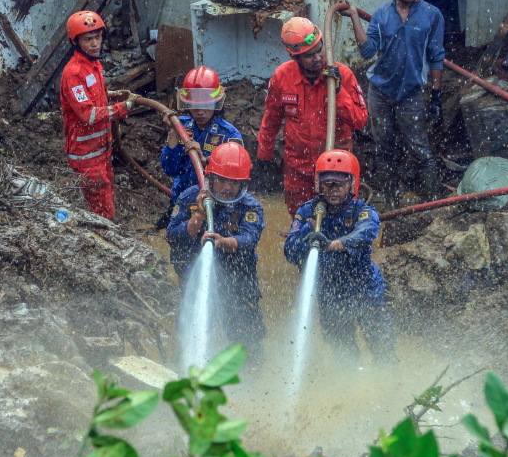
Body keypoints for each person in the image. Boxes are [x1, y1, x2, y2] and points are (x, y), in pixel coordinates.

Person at [340, 0, 445, 204]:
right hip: (380, 91)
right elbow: (367, 51)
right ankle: (390, 201)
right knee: (384, 147)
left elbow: (436, 56)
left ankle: (433, 202)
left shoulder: (432, 15)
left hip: (411, 93)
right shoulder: (381, 15)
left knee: (420, 150)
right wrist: (355, 16)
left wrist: (436, 96)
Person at [284, 149, 395, 361]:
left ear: (352, 184)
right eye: (328, 184)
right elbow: (290, 252)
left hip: (365, 290)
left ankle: (388, 386)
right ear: (319, 184)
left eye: (340, 185)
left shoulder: (362, 211)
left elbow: (366, 233)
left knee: (383, 348)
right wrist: (307, 235)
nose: (333, 190)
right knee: (342, 352)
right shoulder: (307, 212)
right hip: (330, 294)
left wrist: (333, 244)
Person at [256, 17, 368, 216]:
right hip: (298, 168)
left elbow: (359, 121)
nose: (317, 58)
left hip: (337, 168)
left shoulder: (343, 74)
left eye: (319, 50)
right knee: (301, 221)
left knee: (342, 221)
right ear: (294, 57)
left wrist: (339, 90)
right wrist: (264, 154)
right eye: (309, 55)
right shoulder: (282, 77)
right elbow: (271, 118)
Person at [166, 142, 266, 358]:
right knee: (191, 333)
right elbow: (172, 236)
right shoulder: (190, 197)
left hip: (239, 280)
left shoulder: (251, 207)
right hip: (196, 277)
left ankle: (253, 380)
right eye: (222, 180)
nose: (227, 187)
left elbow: (249, 239)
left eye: (234, 182)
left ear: (243, 184)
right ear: (210, 177)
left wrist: (223, 241)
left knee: (247, 342)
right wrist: (199, 217)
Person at [60, 10, 136, 219]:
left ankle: (107, 234)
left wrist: (112, 95)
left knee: (106, 199)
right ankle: (105, 241)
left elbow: (92, 96)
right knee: (102, 209)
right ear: (75, 42)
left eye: (97, 37)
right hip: (85, 154)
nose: (95, 44)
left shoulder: (93, 65)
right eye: (88, 39)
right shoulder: (73, 73)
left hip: (101, 149)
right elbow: (88, 115)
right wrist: (124, 108)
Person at [157, 66, 243, 228]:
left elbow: (233, 180)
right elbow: (170, 169)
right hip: (181, 202)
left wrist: (204, 160)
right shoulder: (180, 126)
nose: (200, 112)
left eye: (206, 106)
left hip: (215, 207)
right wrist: (174, 133)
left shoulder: (230, 135)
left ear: (217, 103)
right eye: (195, 106)